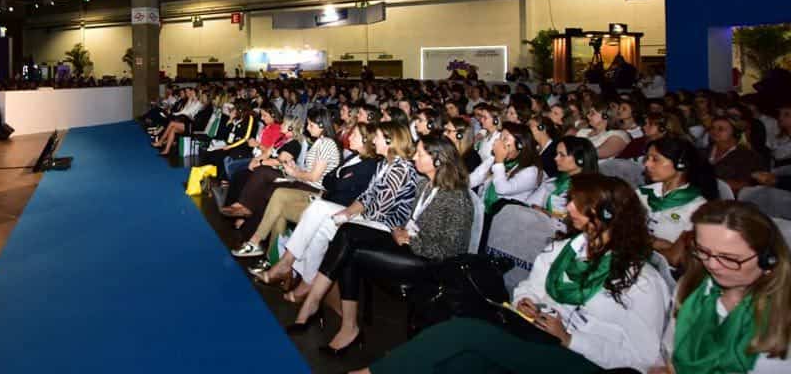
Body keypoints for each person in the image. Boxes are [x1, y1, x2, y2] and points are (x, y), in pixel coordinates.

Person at [355, 174, 669, 374]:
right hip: (536, 336)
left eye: (577, 202)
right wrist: (527, 302)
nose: (568, 206)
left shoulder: (642, 282)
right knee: (459, 363)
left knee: (465, 332)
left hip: (585, 360)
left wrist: (571, 338)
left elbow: (642, 358)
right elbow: (529, 288)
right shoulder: (566, 249)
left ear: (605, 215)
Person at [290, 135, 472, 354]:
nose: (414, 156)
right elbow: (409, 222)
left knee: (350, 247)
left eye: (420, 154)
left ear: (437, 161)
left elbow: (451, 251)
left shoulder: (456, 197)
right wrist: (401, 232)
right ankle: (333, 317)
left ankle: (319, 310)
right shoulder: (424, 184)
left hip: (428, 261)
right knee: (348, 234)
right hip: (405, 242)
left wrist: (411, 240)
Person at [255, 121, 417, 303]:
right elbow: (363, 195)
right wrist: (349, 211)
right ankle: (288, 264)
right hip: (367, 214)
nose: (374, 140)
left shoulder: (399, 168)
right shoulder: (385, 164)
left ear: (389, 141)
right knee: (318, 209)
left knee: (324, 224)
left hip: (383, 226)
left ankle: (303, 279)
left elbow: (379, 209)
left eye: (378, 137)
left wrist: (350, 213)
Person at [647, 201, 790, 374]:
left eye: (729, 258)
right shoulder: (691, 287)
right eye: (703, 251)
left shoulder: (783, 312)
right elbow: (668, 353)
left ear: (768, 259)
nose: (712, 265)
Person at [640, 136, 718, 268]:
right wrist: (660, 244)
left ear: (680, 164)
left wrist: (643, 242)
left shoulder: (698, 208)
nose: (647, 164)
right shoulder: (642, 194)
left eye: (655, 159)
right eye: (647, 158)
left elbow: (677, 258)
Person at [471, 122, 543, 210]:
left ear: (520, 146)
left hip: (506, 217)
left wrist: (499, 161)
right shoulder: (495, 159)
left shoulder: (531, 171)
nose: (498, 142)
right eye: (499, 138)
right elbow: (475, 177)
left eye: (504, 139)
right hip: (483, 209)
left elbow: (502, 189)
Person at [529, 135, 598, 220]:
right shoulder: (554, 181)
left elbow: (577, 221)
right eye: (557, 154)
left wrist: (544, 213)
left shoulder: (591, 189)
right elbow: (530, 204)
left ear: (580, 160)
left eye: (562, 155)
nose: (556, 158)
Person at [707, 116, 763, 195]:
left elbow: (745, 186)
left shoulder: (747, 155)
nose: (714, 131)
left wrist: (711, 181)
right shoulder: (704, 151)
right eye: (712, 128)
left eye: (721, 129)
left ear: (735, 132)